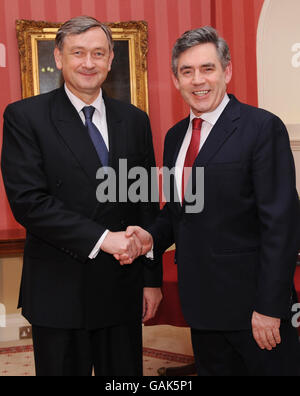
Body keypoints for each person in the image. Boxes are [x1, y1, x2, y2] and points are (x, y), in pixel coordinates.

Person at [120, 26, 300, 376]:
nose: (197, 80)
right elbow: (177, 213)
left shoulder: (262, 128)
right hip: (201, 309)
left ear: (227, 71)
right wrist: (149, 238)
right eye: (187, 71)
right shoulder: (175, 138)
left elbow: (282, 224)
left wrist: (269, 307)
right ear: (175, 79)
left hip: (255, 311)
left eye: (207, 68)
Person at [1, 16, 162, 376]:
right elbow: (29, 203)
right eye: (78, 53)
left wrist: (151, 279)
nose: (88, 63)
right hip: (60, 291)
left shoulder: (134, 120)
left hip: (122, 288)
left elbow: (146, 202)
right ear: (59, 58)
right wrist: (103, 239)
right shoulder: (25, 117)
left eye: (98, 53)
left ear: (110, 60)